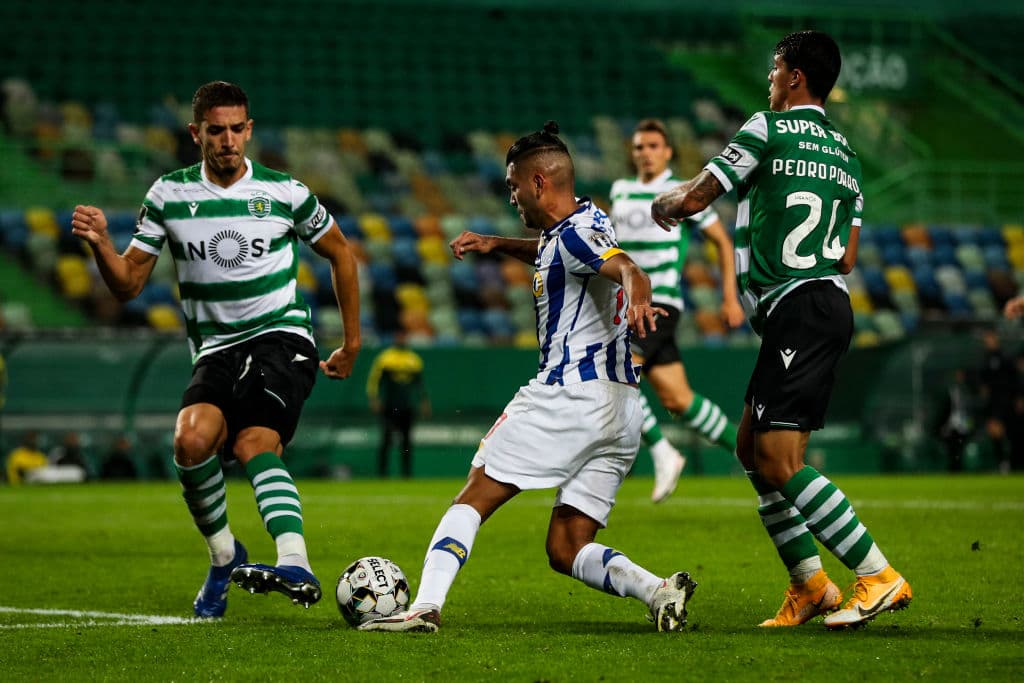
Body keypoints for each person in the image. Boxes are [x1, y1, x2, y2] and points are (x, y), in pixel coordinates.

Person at [359, 122, 696, 633]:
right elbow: (555, 254)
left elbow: (626, 266)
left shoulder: (580, 234)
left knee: (473, 496)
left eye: (514, 185)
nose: (511, 195)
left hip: (568, 395)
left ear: (539, 183)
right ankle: (657, 591)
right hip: (622, 410)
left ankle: (423, 607)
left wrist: (640, 292)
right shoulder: (581, 223)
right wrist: (496, 243)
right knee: (566, 547)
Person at [70, 81, 361, 618]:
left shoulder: (285, 192)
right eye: (216, 130)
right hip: (215, 350)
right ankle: (225, 555)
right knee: (190, 440)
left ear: (249, 130)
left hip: (282, 337)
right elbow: (129, 283)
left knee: (254, 441)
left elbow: (342, 255)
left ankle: (295, 561)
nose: (228, 140)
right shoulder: (167, 195)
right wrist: (101, 247)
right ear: (195, 133)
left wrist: (352, 341)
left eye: (236, 129)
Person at [652, 30, 911, 629]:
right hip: (823, 302)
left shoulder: (766, 129)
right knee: (751, 448)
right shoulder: (847, 157)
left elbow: (697, 198)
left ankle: (876, 575)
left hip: (798, 308)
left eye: (774, 68)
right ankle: (810, 585)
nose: (769, 79)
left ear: (795, 76)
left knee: (779, 458)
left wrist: (663, 205)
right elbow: (847, 257)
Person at [610, 118, 745, 502]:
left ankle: (661, 450)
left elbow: (721, 241)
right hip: (625, 305)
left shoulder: (682, 193)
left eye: (653, 146)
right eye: (639, 147)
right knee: (677, 399)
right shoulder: (620, 191)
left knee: (617, 375)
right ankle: (750, 454)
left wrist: (729, 297)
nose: (646, 153)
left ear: (667, 152)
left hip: (659, 303)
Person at [366, 331, 431, 478]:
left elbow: (420, 384)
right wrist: (374, 399)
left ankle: (406, 474)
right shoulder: (385, 358)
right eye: (399, 336)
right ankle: (382, 474)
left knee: (407, 442)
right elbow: (374, 381)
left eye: (403, 336)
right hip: (389, 406)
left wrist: (424, 401)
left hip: (407, 406)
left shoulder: (414, 359)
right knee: (386, 440)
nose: (401, 339)